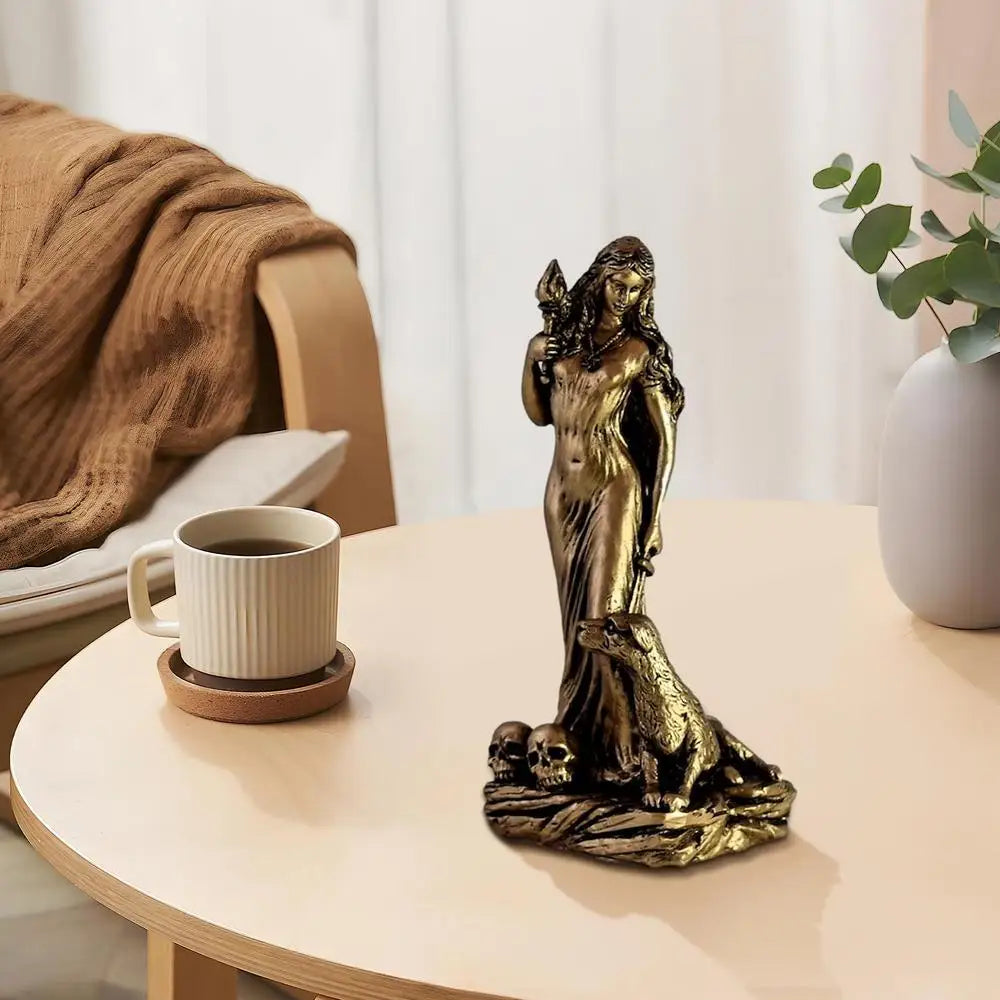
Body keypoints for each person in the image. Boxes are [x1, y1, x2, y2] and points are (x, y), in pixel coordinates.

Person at [521, 236, 684, 785]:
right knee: (574, 625)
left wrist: (653, 518)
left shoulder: (640, 350)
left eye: (636, 290)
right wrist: (533, 358)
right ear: (600, 278)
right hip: (561, 494)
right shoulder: (562, 339)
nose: (624, 297)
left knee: (606, 623)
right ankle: (579, 737)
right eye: (618, 284)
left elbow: (663, 442)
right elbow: (540, 415)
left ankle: (625, 747)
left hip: (613, 487)